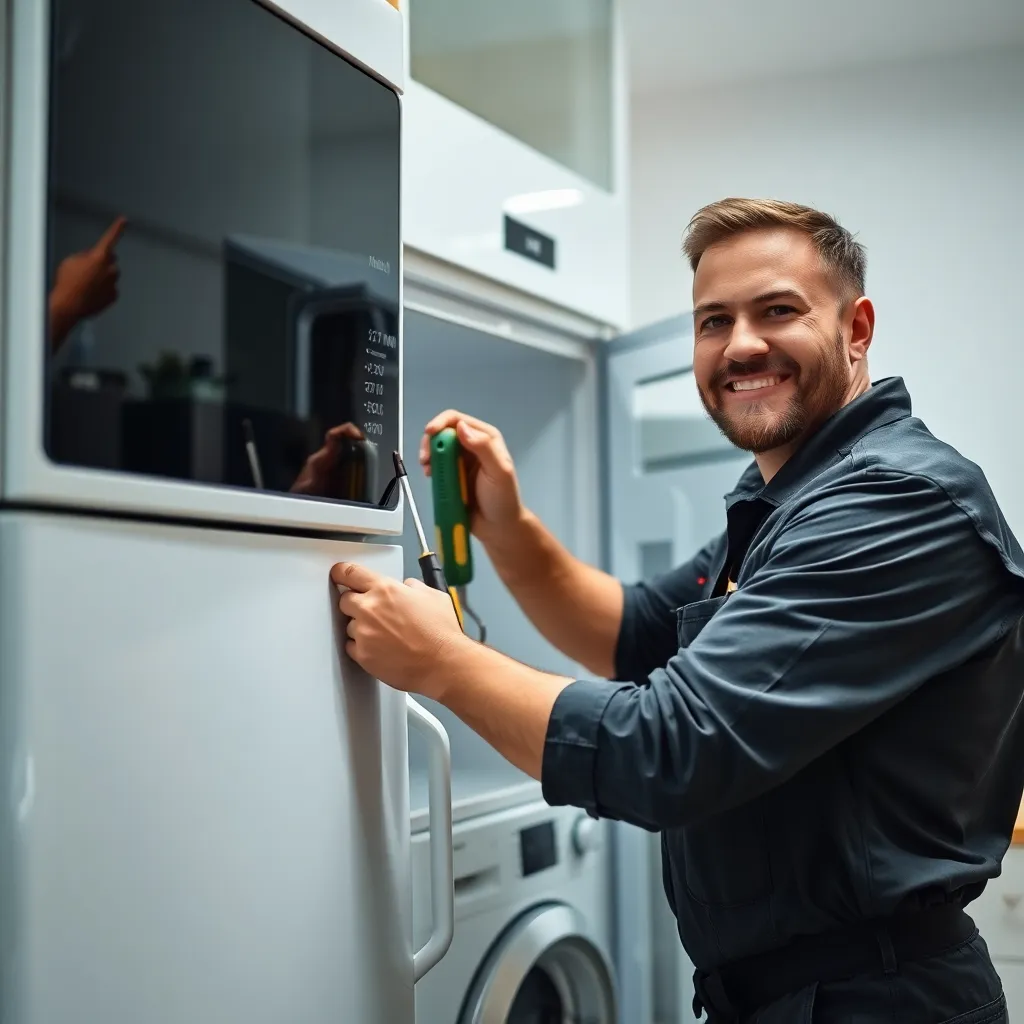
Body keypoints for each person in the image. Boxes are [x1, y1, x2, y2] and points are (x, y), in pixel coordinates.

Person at [331, 198, 1024, 1023]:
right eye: (713, 321)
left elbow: (667, 749)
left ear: (857, 329)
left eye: (778, 311)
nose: (740, 345)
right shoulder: (786, 501)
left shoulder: (891, 502)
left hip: (878, 1002)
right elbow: (632, 633)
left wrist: (443, 661)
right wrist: (509, 531)